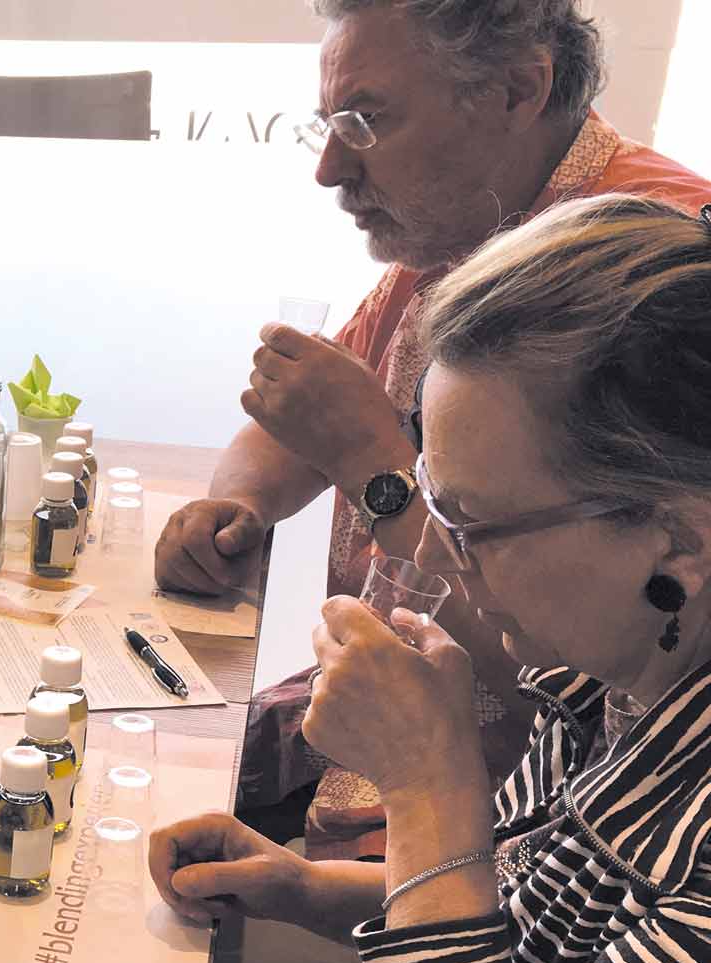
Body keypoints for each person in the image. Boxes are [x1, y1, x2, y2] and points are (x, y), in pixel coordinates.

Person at [160, 193, 711, 963]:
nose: (440, 559)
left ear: (676, 543)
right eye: (433, 507)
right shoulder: (626, 661)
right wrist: (310, 888)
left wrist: (429, 790)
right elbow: (535, 914)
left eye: (475, 524)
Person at [154, 0, 711, 861]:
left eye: (366, 121)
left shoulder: (641, 270)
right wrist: (235, 508)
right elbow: (303, 416)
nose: (329, 168)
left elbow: (585, 668)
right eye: (329, 124)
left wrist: (374, 467)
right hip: (368, 726)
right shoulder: (464, 220)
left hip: (531, 823)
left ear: (517, 89)